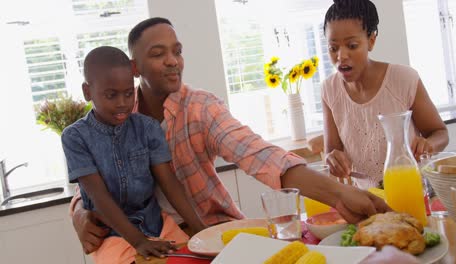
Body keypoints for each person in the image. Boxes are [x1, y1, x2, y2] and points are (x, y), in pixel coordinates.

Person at [70, 17, 391, 262]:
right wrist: (80, 212)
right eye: (158, 54)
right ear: (135, 67)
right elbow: (89, 184)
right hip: (151, 241)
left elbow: (259, 155)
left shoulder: (200, 108)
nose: (173, 61)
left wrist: (340, 193)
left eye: (177, 51)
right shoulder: (114, 117)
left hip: (211, 233)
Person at [62, 46, 206, 262]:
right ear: (87, 92)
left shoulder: (147, 128)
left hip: (159, 225)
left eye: (129, 93)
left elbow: (169, 182)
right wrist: (139, 241)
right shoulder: (75, 137)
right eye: (111, 95)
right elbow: (99, 197)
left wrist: (201, 229)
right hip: (113, 235)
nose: (122, 103)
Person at [321, 0, 449, 188]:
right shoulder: (329, 89)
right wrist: (333, 160)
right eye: (333, 48)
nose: (341, 56)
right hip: (368, 200)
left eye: (352, 45)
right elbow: (332, 150)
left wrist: (428, 145)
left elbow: (440, 133)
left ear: (371, 40)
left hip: (413, 189)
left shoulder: (403, 79)